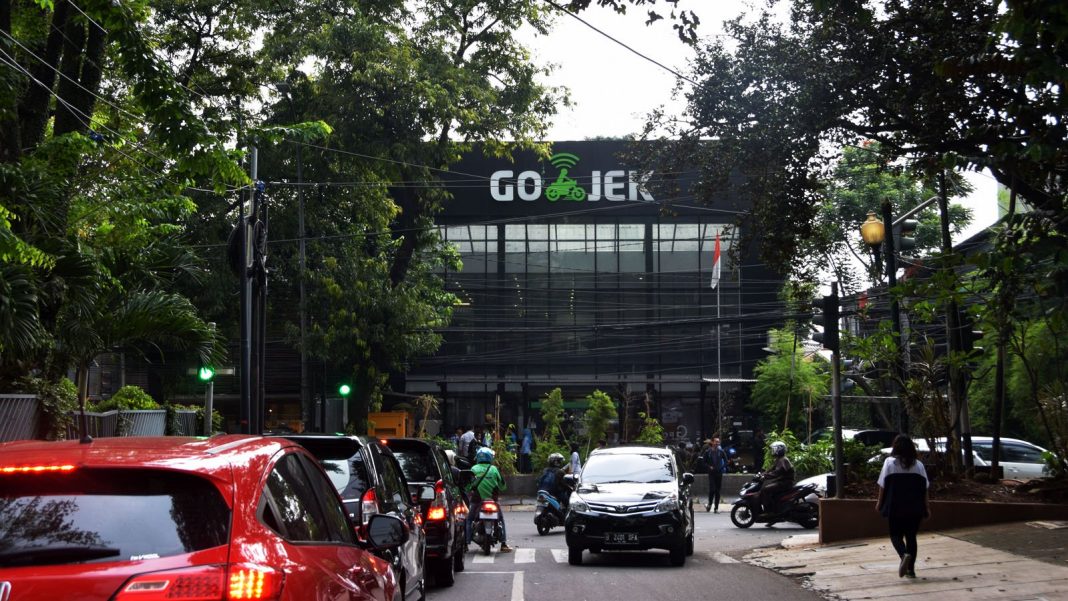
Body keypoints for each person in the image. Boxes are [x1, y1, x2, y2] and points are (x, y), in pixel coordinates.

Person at [877, 434, 930, 578]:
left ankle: (903, 554)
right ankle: (911, 570)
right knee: (911, 537)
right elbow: (925, 489)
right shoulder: (919, 465)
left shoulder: (889, 463)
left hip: (895, 506)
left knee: (895, 535)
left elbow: (882, 485)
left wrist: (879, 503)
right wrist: (927, 507)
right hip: (915, 508)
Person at [466, 447, 512, 552]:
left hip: (477, 501)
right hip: (493, 501)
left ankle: (466, 543)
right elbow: (503, 486)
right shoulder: (494, 469)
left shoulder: (473, 469)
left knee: (469, 520)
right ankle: (503, 544)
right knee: (501, 520)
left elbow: (468, 486)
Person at [759, 440, 795, 520]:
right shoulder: (779, 459)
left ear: (778, 449)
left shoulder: (784, 460)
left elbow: (777, 472)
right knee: (769, 489)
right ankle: (775, 509)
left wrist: (766, 476)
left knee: (765, 490)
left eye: (774, 449)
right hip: (782, 481)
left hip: (786, 483)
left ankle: (769, 512)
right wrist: (762, 474)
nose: (772, 451)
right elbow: (771, 469)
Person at [701, 437, 729, 513]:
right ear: (712, 442)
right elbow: (703, 462)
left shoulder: (721, 451)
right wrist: (709, 467)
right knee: (712, 489)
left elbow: (726, 461)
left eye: (718, 442)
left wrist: (721, 467)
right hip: (711, 473)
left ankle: (716, 508)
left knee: (717, 491)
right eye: (716, 442)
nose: (717, 443)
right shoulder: (708, 452)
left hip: (719, 473)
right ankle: (710, 503)